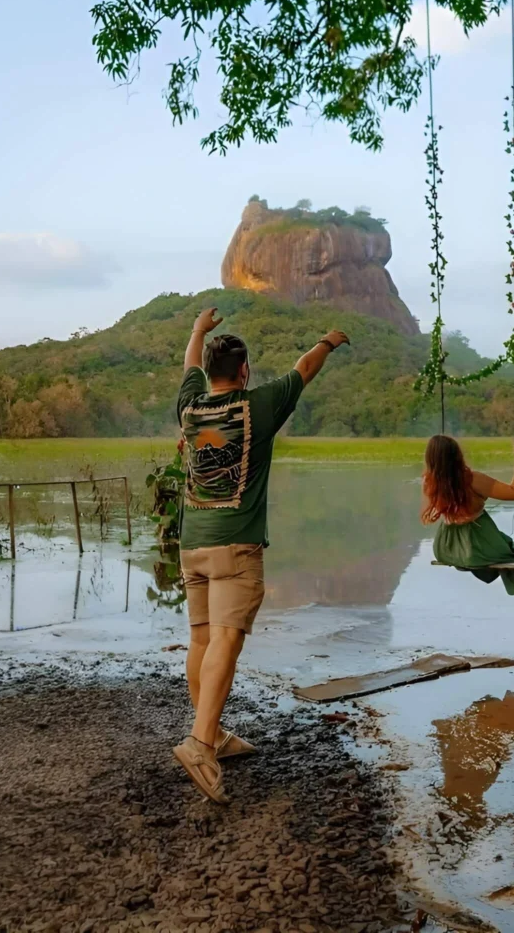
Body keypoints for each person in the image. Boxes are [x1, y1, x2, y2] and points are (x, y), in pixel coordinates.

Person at [172, 307, 350, 802]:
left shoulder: (190, 407)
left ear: (209, 375)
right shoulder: (259, 406)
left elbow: (189, 367)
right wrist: (328, 340)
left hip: (193, 547)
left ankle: (215, 733)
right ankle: (201, 743)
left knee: (202, 639)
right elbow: (304, 369)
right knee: (226, 642)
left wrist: (197, 330)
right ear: (245, 372)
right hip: (236, 546)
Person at [422, 434, 514, 600]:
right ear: (457, 456)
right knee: (510, 549)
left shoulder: (431, 483)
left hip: (445, 548)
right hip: (475, 547)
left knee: (506, 543)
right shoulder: (472, 480)